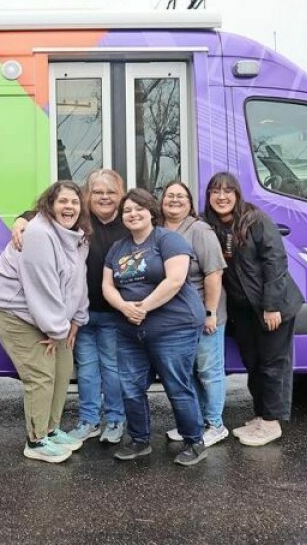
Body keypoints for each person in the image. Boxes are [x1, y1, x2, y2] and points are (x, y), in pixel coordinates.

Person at [12, 169, 128, 444]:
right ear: (88, 195)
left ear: (120, 196)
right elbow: (40, 214)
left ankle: (114, 419)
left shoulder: (128, 220)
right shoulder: (79, 218)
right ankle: (89, 421)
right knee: (86, 368)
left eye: (110, 192)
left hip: (114, 313)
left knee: (111, 368)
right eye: (98, 192)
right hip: (81, 315)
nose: (104, 197)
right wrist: (20, 220)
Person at [0, 180, 91, 463]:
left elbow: (77, 283)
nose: (68, 207)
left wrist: (76, 321)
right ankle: (36, 441)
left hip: (48, 315)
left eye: (74, 202)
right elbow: (41, 287)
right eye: (63, 201)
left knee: (63, 365)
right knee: (41, 372)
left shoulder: (77, 238)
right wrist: (56, 330)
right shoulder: (39, 233)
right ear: (50, 205)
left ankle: (52, 429)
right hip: (15, 312)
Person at [103, 188, 208, 466]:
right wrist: (125, 307)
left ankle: (194, 441)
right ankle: (139, 440)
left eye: (139, 208)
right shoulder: (118, 248)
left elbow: (174, 280)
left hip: (173, 326)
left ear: (151, 211)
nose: (133, 214)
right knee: (130, 386)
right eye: (127, 210)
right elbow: (107, 285)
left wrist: (142, 307)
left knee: (176, 385)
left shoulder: (168, 240)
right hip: (130, 329)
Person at [203, 172, 304, 447]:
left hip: (272, 307)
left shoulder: (255, 220)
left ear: (237, 194)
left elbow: (276, 262)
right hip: (243, 311)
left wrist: (271, 307)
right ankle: (261, 415)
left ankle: (271, 423)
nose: (221, 197)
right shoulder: (210, 226)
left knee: (273, 365)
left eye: (227, 191)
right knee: (255, 364)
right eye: (215, 191)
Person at [158, 180, 230, 448]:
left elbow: (214, 273)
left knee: (209, 372)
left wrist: (210, 313)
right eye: (169, 195)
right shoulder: (158, 231)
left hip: (204, 316)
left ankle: (215, 425)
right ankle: (193, 423)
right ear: (161, 201)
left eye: (181, 196)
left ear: (189, 203)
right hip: (175, 320)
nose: (174, 200)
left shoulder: (199, 230)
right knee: (186, 373)